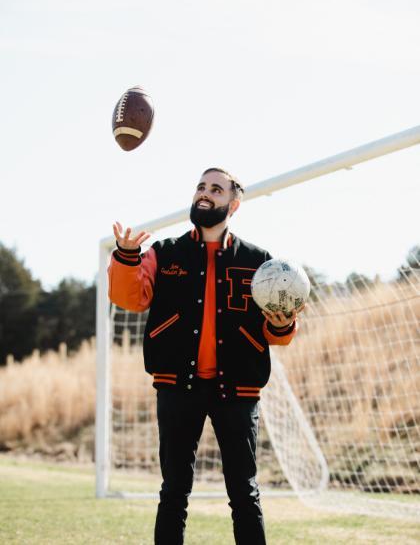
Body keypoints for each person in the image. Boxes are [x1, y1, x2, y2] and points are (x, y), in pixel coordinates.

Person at [108, 167, 303, 545]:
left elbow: (274, 333)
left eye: (216, 188)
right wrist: (127, 257)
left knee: (244, 492)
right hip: (177, 387)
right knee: (174, 491)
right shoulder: (164, 254)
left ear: (234, 202)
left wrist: (282, 325)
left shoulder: (260, 261)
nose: (205, 193)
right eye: (201, 186)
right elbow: (129, 297)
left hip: (239, 389)